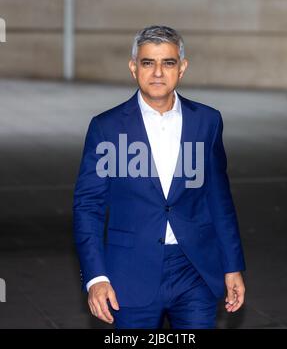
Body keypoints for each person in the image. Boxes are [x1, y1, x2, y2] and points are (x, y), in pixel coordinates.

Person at [73, 25, 246, 329]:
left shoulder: (207, 121)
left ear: (182, 68)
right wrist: (96, 278)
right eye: (147, 62)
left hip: (194, 269)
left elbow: (219, 201)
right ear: (133, 67)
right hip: (129, 273)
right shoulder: (107, 128)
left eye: (167, 62)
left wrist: (232, 265)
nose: (157, 73)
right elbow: (88, 207)